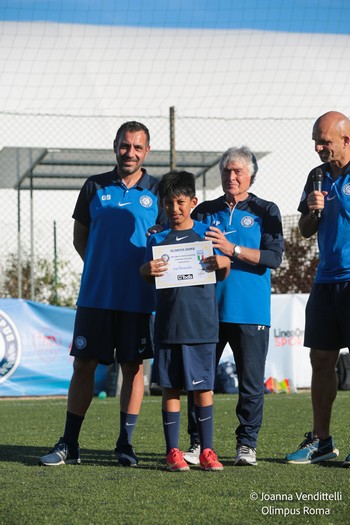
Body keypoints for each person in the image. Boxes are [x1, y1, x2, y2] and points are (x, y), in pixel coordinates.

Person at [39, 121, 164, 467]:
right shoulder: (94, 186)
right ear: (115, 146)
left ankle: (125, 444)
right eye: (125, 146)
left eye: (138, 147)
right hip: (96, 295)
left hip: (138, 297)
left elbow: (166, 241)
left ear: (147, 151)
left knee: (133, 368)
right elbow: (81, 238)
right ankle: (70, 443)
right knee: (84, 365)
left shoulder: (157, 190)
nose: (131, 153)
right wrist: (101, 266)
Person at [183, 146, 284, 467]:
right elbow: (183, 244)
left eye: (238, 171)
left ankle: (246, 445)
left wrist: (232, 249)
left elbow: (273, 258)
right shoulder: (204, 211)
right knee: (199, 381)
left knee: (251, 384)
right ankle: (198, 443)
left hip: (250, 311)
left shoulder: (266, 210)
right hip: (206, 311)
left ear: (251, 175)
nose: (232, 176)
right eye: (227, 170)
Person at [140, 170, 230, 471]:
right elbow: (144, 273)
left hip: (202, 325)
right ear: (161, 205)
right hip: (168, 325)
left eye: (180, 202)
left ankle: (207, 451)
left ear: (193, 201)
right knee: (171, 388)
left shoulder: (207, 234)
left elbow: (223, 268)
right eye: (168, 203)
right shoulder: (157, 238)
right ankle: (173, 452)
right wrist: (146, 270)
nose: (174, 209)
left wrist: (224, 262)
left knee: (203, 388)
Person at [285, 111, 350, 466]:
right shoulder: (317, 176)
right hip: (325, 280)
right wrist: (312, 212)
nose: (317, 147)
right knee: (320, 359)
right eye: (316, 140)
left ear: (346, 139)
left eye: (324, 141)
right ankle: (322, 441)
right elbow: (306, 231)